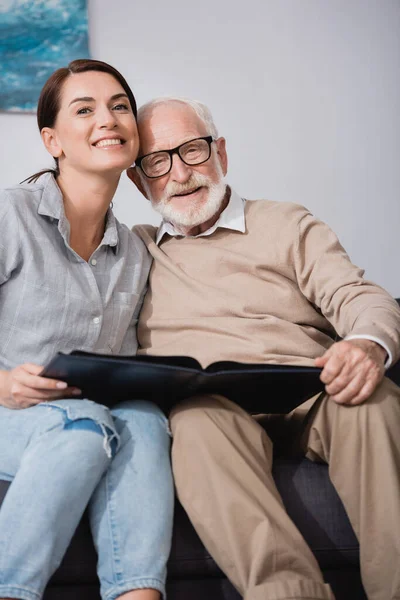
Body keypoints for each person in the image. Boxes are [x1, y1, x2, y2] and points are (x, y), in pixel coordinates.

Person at [128, 96, 400, 600]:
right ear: (139, 179)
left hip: (310, 389)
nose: (180, 173)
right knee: (194, 423)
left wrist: (366, 343)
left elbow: (356, 295)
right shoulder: (132, 252)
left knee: (374, 401)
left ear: (221, 154)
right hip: (214, 405)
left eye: (192, 150)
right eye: (157, 161)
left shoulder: (286, 223)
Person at [0, 61, 174, 600]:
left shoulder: (138, 252)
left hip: (87, 409)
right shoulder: (10, 215)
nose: (109, 119)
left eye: (120, 105)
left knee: (144, 421)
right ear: (53, 140)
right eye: (86, 109)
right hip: (9, 411)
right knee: (81, 423)